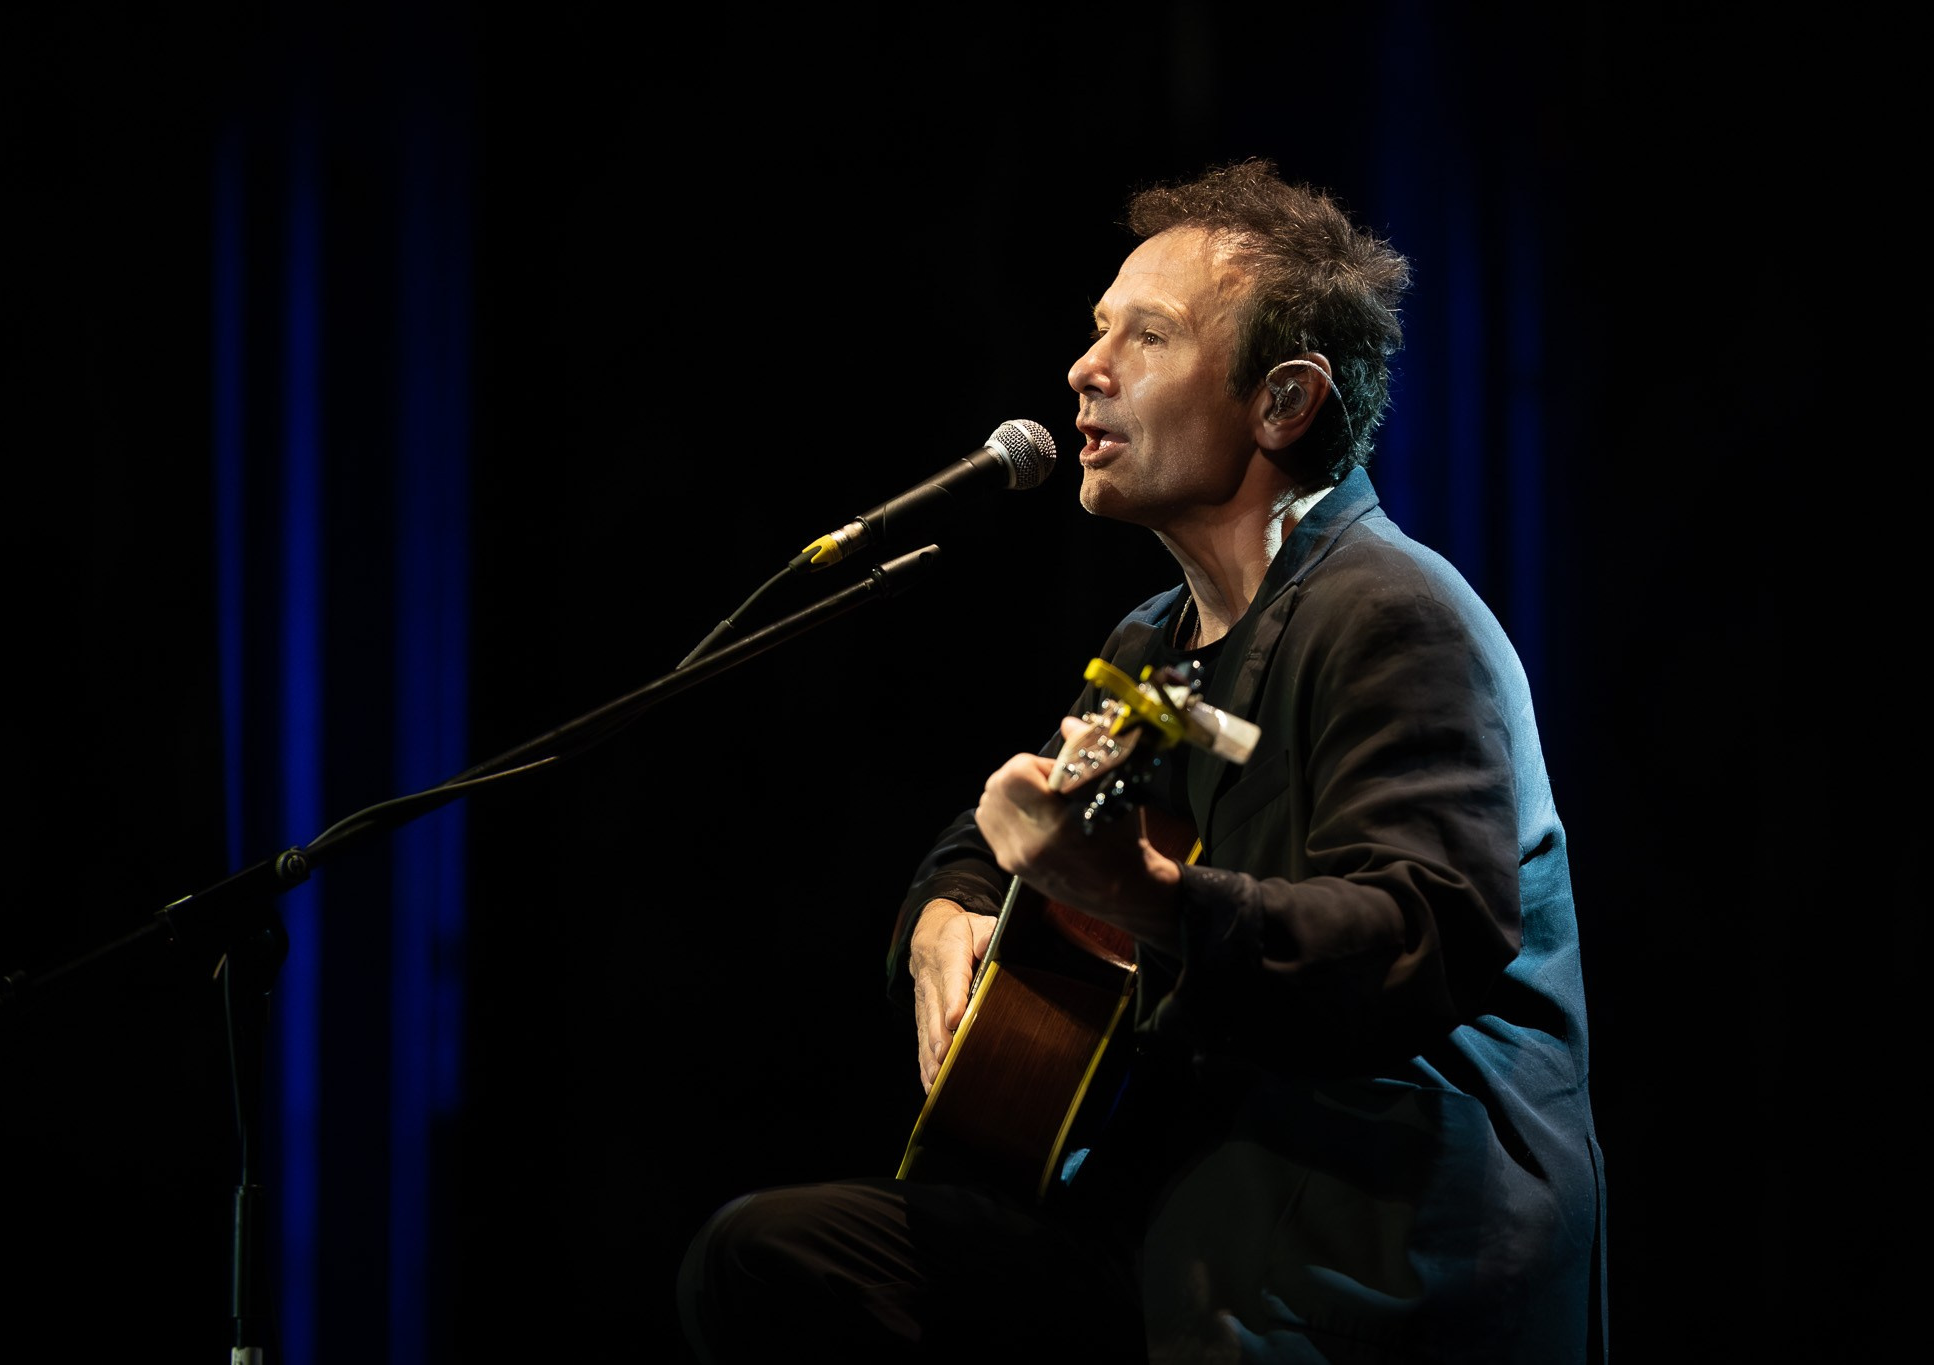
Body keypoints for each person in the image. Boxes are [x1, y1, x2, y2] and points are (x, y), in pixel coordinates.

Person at [677, 155, 1606, 1364]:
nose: (1083, 368)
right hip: (1180, 1202)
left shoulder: (1397, 616)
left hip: (1372, 1234)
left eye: (1146, 336)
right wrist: (941, 913)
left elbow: (1419, 934)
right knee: (772, 1259)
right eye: (1095, 328)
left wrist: (1140, 897)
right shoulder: (1155, 641)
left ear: (1281, 403)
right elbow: (1009, 833)